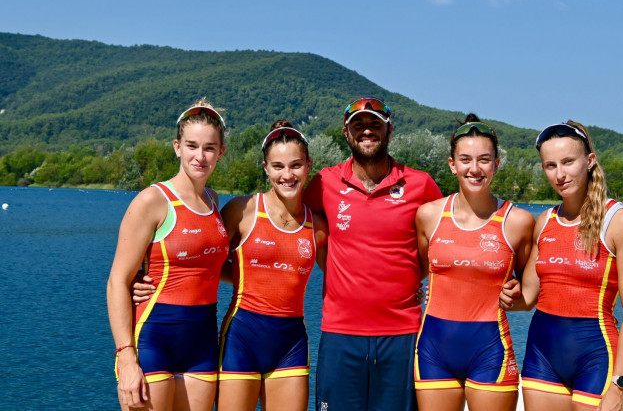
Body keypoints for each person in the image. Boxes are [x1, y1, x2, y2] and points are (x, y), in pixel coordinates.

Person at [303, 96, 443, 411]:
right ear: (346, 132)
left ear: (389, 130)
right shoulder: (324, 182)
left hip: (402, 333)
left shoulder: (420, 184)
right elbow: (298, 225)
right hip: (340, 331)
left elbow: (443, 241)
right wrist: (337, 269)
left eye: (375, 124)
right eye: (359, 125)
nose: (367, 131)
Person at [499, 121, 623, 411]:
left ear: (589, 161)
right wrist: (506, 294)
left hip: (597, 358)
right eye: (550, 165)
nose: (560, 174)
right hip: (542, 356)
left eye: (568, 162)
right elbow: (528, 298)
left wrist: (621, 384)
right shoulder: (544, 222)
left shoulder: (619, 222)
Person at [106, 99, 229, 411]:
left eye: (209, 148)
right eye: (191, 146)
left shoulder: (214, 201)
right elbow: (117, 282)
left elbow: (212, 266)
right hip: (153, 341)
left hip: (202, 345)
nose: (200, 156)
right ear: (177, 147)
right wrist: (126, 356)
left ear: (221, 152)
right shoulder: (152, 201)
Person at [414, 115, 534, 411]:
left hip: (491, 349)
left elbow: (529, 294)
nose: (475, 169)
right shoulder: (428, 216)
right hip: (433, 350)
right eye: (465, 159)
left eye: (484, 159)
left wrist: (516, 294)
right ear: (452, 164)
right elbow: (419, 272)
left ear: (496, 164)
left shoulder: (517, 222)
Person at [215, 121, 327, 411]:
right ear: (266, 167)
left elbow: (345, 278)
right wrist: (145, 277)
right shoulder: (243, 211)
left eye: (296, 165)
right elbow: (204, 262)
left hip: (290, 344)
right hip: (242, 339)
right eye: (278, 166)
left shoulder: (318, 227)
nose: (287, 175)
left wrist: (409, 287)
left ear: (308, 166)